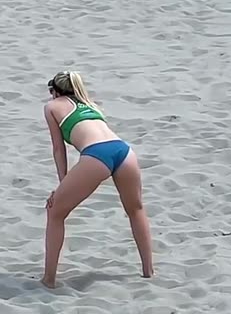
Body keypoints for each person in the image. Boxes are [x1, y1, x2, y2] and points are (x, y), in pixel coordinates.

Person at [41, 71, 153, 288]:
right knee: (136, 209)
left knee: (55, 212)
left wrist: (62, 185)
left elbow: (58, 149)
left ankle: (49, 278)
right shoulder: (91, 104)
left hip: (97, 154)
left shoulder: (52, 107)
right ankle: (148, 270)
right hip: (124, 151)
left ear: (55, 91)